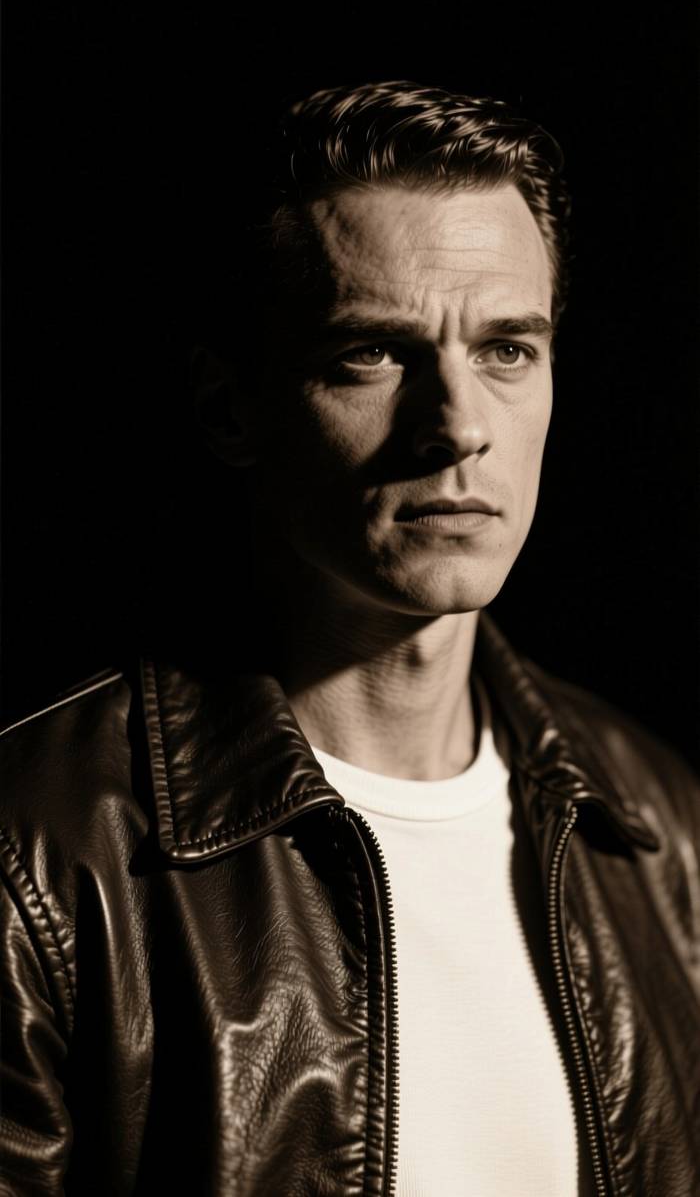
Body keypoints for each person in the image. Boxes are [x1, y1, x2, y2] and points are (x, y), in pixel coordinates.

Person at [1, 80, 699, 1197]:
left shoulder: (661, 826)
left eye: (507, 349)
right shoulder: (41, 846)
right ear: (231, 408)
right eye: (374, 353)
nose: (458, 426)